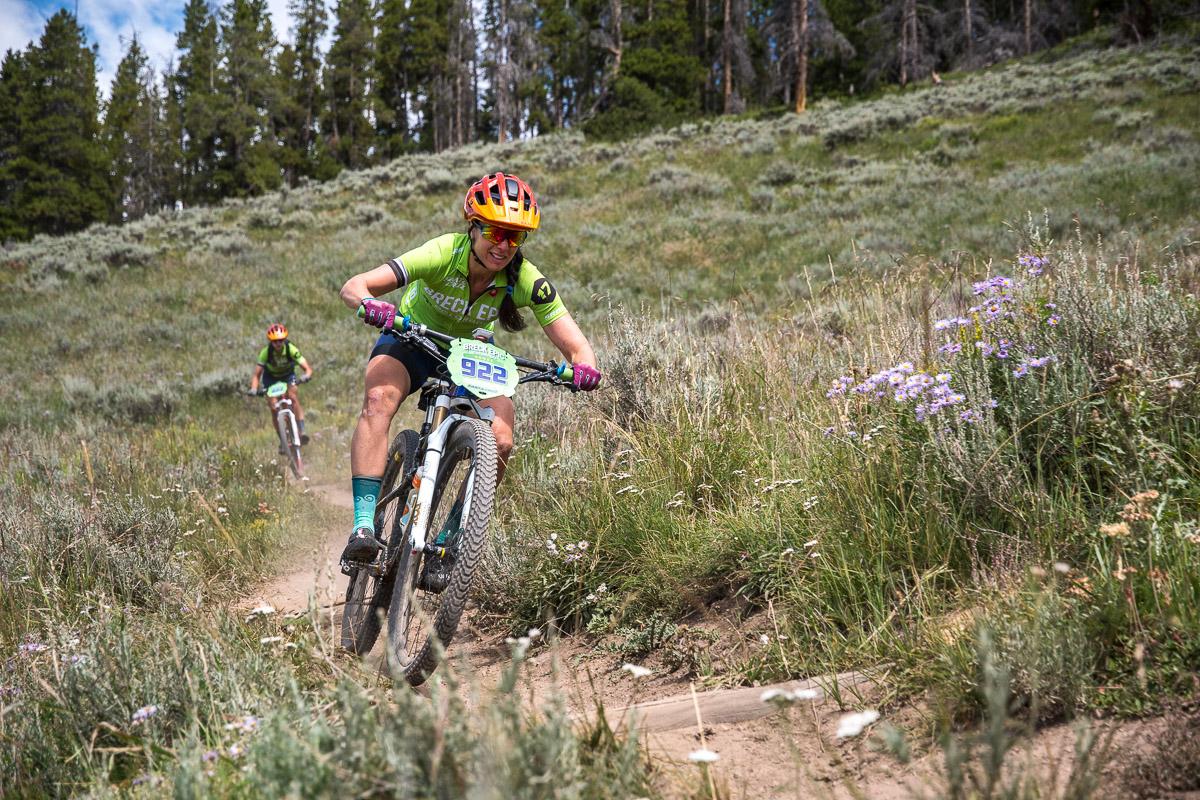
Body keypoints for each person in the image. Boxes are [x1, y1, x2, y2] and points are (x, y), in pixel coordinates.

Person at [338, 172, 602, 564]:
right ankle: (363, 525)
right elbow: (354, 285)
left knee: (501, 438)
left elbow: (579, 347)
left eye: (515, 237)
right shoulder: (443, 252)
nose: (504, 245)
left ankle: (454, 536)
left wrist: (584, 369)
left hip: (471, 355)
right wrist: (371, 304)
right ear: (473, 226)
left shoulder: (525, 278)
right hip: (412, 338)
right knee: (378, 399)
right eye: (496, 232)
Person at [248, 323, 314, 448]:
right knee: (273, 408)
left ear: (285, 339)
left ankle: (302, 430)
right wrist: (254, 389)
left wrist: (306, 375)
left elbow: (307, 367)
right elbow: (256, 375)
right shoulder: (265, 353)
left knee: (293, 397)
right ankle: (283, 441)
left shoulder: (291, 349)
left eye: (281, 340)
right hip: (271, 379)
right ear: (271, 342)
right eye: (275, 341)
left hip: (287, 376)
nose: (278, 344)